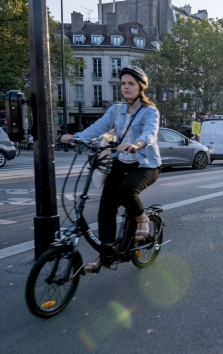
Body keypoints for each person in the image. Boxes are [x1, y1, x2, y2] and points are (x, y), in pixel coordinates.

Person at [60, 66, 161, 273]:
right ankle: (106, 254)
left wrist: (137, 144)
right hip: (121, 162)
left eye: (131, 83)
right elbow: (98, 127)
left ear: (140, 87)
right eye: (123, 83)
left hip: (145, 165)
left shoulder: (150, 111)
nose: (126, 87)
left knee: (125, 191)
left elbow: (150, 133)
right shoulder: (116, 109)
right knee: (106, 206)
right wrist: (78, 137)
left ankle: (142, 219)